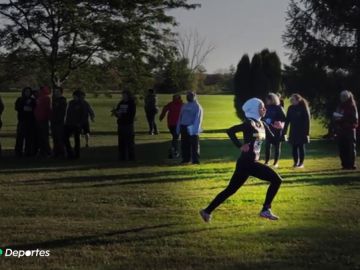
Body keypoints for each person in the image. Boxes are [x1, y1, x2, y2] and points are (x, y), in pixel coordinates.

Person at [200, 98, 282, 222]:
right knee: (276, 180)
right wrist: (240, 145)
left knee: (230, 190)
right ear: (254, 109)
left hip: (248, 163)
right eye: (262, 107)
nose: (264, 109)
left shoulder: (263, 124)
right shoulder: (250, 123)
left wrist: (278, 129)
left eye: (264, 107)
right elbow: (230, 131)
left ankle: (206, 211)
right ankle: (265, 210)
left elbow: (275, 142)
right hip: (247, 163)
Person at [283, 94, 311, 169]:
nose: (291, 101)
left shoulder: (303, 107)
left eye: (293, 99)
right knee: (294, 147)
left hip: (302, 131)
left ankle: (301, 164)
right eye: (290, 100)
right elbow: (287, 121)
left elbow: (307, 121)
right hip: (293, 131)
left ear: (298, 100)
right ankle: (295, 163)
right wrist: (284, 131)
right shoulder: (290, 108)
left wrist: (307, 133)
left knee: (301, 147)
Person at [333, 90, 358, 170]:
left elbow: (354, 119)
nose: (343, 98)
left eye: (344, 96)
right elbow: (336, 118)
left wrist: (343, 118)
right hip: (341, 130)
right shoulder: (340, 106)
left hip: (349, 130)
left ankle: (351, 164)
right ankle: (344, 164)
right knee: (342, 148)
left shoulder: (352, 106)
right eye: (342, 96)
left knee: (350, 148)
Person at [177, 91, 203, 165]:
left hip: (192, 127)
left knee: (194, 144)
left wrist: (195, 129)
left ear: (194, 97)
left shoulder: (197, 106)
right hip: (183, 126)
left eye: (190, 96)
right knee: (184, 144)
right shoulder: (184, 106)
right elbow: (180, 117)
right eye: (188, 96)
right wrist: (178, 127)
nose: (188, 97)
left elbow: (198, 118)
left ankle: (195, 160)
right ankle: (186, 159)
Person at [263, 93, 286, 168]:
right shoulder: (266, 107)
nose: (266, 101)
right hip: (268, 129)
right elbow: (263, 117)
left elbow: (284, 119)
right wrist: (265, 120)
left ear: (272, 99)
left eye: (268, 99)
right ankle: (266, 162)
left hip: (277, 130)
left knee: (277, 146)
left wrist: (279, 123)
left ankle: (276, 163)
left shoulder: (279, 108)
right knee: (267, 145)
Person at [64, 90, 88, 159]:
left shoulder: (82, 104)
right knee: (65, 138)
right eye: (73, 96)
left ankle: (77, 154)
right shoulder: (71, 103)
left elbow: (84, 115)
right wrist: (66, 122)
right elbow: (68, 113)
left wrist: (80, 124)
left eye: (76, 96)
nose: (74, 97)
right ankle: (70, 153)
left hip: (77, 125)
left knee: (76, 140)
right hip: (69, 124)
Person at [113, 90, 136, 161]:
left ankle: (131, 157)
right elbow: (117, 111)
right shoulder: (120, 103)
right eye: (122, 95)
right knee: (121, 141)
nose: (123, 97)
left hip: (128, 124)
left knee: (129, 141)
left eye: (125, 95)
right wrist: (116, 113)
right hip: (121, 124)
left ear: (128, 95)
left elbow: (131, 114)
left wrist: (122, 115)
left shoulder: (131, 103)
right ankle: (122, 157)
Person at [14, 87, 37, 157]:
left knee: (29, 137)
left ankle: (28, 152)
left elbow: (35, 108)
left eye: (29, 91)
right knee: (20, 137)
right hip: (22, 120)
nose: (27, 93)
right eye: (26, 91)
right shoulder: (20, 99)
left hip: (30, 121)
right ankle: (18, 152)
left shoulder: (33, 100)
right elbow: (16, 107)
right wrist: (24, 107)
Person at [159, 94, 183, 158]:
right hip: (175, 125)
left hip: (173, 124)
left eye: (175, 98)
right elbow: (165, 109)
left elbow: (164, 109)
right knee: (175, 137)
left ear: (179, 98)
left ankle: (173, 150)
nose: (173, 99)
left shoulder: (179, 104)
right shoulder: (181, 105)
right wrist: (162, 116)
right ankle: (174, 151)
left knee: (175, 137)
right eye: (173, 98)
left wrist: (161, 116)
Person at [34, 86, 52, 157]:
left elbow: (48, 109)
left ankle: (47, 151)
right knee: (40, 136)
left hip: (43, 120)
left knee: (44, 137)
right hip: (39, 119)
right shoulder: (39, 98)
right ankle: (42, 151)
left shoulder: (46, 98)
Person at [51, 87, 67, 158]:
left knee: (59, 138)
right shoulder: (54, 100)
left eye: (57, 91)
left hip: (59, 122)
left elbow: (61, 112)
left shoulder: (62, 100)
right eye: (55, 91)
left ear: (61, 92)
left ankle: (62, 153)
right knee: (54, 138)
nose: (56, 93)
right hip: (53, 121)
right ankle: (56, 153)